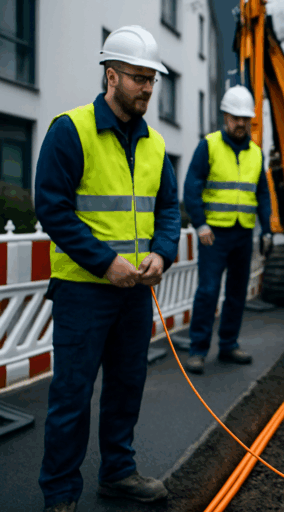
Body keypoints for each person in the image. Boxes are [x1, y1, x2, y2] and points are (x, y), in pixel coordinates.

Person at [34, 25, 181, 512]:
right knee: (72, 396)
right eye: (139, 78)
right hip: (83, 290)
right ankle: (59, 493)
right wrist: (105, 263)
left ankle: (117, 472)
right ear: (111, 75)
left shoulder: (156, 145)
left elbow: (169, 210)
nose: (147, 88)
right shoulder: (69, 130)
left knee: (126, 387)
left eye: (152, 80)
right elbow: (52, 209)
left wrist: (163, 252)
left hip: (136, 291)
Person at [182, 85, 273, 375]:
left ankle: (228, 345)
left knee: (236, 293)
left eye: (246, 118)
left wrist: (267, 229)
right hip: (214, 236)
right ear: (225, 117)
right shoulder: (208, 146)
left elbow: (263, 195)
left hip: (243, 234)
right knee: (208, 292)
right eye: (236, 118)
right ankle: (197, 350)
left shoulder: (256, 154)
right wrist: (200, 224)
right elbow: (191, 187)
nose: (241, 123)